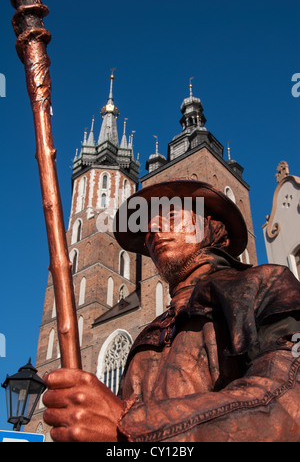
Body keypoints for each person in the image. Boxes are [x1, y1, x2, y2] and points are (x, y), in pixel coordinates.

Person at [43, 180, 300, 442]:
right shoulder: (148, 335)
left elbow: (286, 400)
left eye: (172, 215)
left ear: (209, 225)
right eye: (147, 228)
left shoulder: (264, 285)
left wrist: (130, 428)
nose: (153, 229)